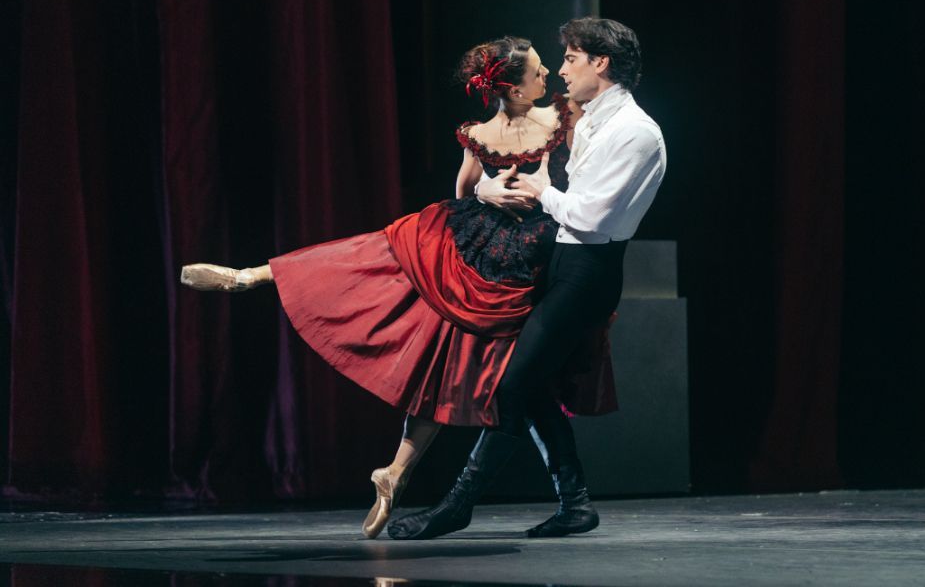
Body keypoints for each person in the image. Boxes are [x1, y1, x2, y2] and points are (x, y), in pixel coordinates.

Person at [179, 36, 617, 539]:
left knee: (394, 276)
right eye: (539, 71)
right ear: (516, 90)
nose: (549, 76)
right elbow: (468, 188)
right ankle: (423, 477)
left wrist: (491, 189)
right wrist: (487, 190)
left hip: (508, 257)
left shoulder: (536, 122)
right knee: (418, 306)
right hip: (513, 258)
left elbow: (509, 187)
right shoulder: (535, 123)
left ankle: (262, 275)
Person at [388, 17, 666, 541]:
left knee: (511, 386)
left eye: (571, 59)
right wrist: (493, 191)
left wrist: (540, 191)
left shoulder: (635, 131)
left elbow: (590, 218)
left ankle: (458, 504)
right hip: (560, 262)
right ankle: (575, 502)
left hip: (588, 271)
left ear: (600, 63)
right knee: (531, 384)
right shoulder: (589, 120)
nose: (562, 70)